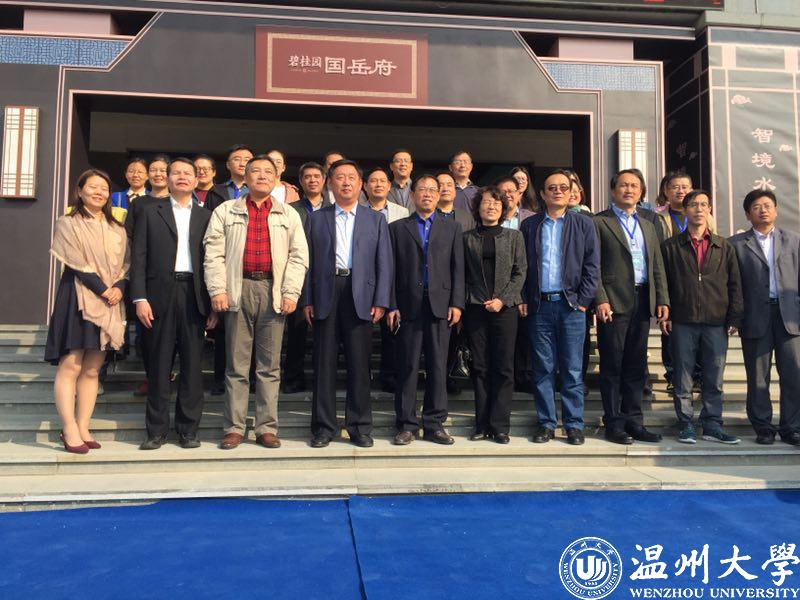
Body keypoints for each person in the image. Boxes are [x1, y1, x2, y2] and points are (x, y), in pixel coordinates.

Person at [204, 155, 309, 450]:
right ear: (245, 177)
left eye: (268, 172)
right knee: (236, 366)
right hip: (238, 288)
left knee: (269, 367)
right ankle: (234, 428)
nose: (262, 176)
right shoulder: (226, 210)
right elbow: (213, 253)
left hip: (272, 291)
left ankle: (266, 427)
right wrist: (218, 290)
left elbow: (298, 256)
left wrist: (291, 292)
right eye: (255, 171)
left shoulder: (288, 214)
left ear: (276, 179)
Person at [302, 159, 393, 448]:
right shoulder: (317, 218)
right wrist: (307, 299)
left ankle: (359, 426)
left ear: (361, 184)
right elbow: (306, 262)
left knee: (359, 365)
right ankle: (323, 427)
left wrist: (381, 300)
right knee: (324, 364)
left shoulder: (375, 219)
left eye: (351, 177)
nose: (345, 182)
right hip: (326, 292)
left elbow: (384, 263)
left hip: (361, 295)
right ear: (330, 184)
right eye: (339, 177)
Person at [131, 157, 217, 450]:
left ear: (196, 180)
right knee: (159, 365)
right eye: (176, 172)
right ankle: (156, 431)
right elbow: (138, 257)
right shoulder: (149, 212)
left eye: (187, 173)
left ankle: (188, 430)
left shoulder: (207, 216)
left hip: (194, 295)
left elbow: (213, 261)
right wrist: (139, 297)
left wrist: (212, 304)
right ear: (167, 179)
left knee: (192, 367)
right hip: (158, 296)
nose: (182, 177)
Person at [46, 169, 128, 453]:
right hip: (78, 298)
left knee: (93, 369)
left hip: (109, 303)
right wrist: (103, 289)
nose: (99, 192)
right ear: (79, 191)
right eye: (92, 187)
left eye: (104, 188)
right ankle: (68, 427)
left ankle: (83, 425)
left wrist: (119, 287)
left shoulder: (118, 228)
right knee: (72, 365)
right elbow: (76, 261)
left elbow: (126, 264)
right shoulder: (68, 223)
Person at [519, 170, 600, 445]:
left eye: (563, 187)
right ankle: (546, 423)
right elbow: (523, 265)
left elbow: (592, 265)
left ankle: (574, 424)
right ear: (542, 194)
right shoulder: (530, 225)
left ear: (571, 192)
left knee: (572, 369)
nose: (558, 192)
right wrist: (524, 297)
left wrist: (583, 301)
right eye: (551, 188)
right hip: (539, 306)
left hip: (571, 307)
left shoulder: (584, 223)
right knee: (542, 368)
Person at [661, 189, 743, 444]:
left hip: (716, 321)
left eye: (703, 204)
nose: (699, 209)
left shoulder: (724, 246)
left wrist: (734, 317)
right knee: (683, 377)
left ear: (709, 210)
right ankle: (685, 424)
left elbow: (735, 285)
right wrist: (666, 312)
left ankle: (712, 425)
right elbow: (664, 282)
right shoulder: (670, 246)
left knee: (714, 377)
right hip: (682, 320)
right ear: (685, 210)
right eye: (693, 204)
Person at [387, 175, 465, 445]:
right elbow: (390, 270)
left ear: (439, 194)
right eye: (422, 190)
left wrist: (456, 303)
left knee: (438, 366)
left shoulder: (452, 228)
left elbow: (458, 268)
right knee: (408, 366)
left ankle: (434, 424)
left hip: (440, 306)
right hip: (408, 306)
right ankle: (406, 424)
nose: (428, 194)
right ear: (413, 195)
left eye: (433, 190)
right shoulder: (397, 228)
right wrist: (392, 304)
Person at [594, 170, 670, 444]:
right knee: (612, 364)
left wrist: (662, 299)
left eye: (634, 186)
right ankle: (614, 423)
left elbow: (657, 265)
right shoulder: (599, 221)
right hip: (613, 301)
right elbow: (593, 265)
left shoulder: (648, 224)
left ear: (641, 192)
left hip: (643, 299)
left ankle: (634, 421)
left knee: (636, 365)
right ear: (613, 190)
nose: (629, 190)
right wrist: (600, 298)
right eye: (623, 185)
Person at [729, 190, 800, 445]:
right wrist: (734, 317)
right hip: (754, 316)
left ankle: (791, 427)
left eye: (768, 205)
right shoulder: (736, 244)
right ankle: (763, 427)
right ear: (748, 214)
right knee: (758, 376)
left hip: (789, 316)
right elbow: (733, 285)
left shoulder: (793, 240)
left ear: (776, 210)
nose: (763, 210)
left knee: (793, 374)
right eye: (756, 207)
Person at [463, 186, 526, 443]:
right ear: (477, 207)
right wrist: (474, 299)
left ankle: (500, 425)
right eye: (486, 202)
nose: (491, 206)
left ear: (503, 209)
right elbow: (461, 274)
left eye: (496, 203)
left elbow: (520, 273)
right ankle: (481, 424)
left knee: (503, 367)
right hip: (475, 309)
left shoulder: (514, 237)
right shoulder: (466, 238)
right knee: (480, 366)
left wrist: (502, 300)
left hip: (505, 310)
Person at [657, 170, 711, 394]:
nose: (680, 191)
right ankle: (672, 374)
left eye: (685, 187)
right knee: (669, 330)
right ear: (666, 191)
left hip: (698, 281)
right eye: (675, 187)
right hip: (670, 277)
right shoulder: (658, 217)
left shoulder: (706, 215)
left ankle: (698, 375)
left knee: (699, 332)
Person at [283, 162, 330, 394]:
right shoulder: (290, 210)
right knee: (297, 331)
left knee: (327, 332)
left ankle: (324, 379)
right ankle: (294, 378)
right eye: (307, 177)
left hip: (327, 277)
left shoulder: (334, 208)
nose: (312, 180)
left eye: (316, 176)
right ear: (301, 182)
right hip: (298, 276)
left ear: (324, 180)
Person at [363, 166, 407, 392]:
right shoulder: (357, 211)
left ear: (390, 186)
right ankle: (363, 375)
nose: (378, 184)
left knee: (392, 329)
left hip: (394, 275)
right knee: (362, 331)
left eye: (382, 181)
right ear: (365, 186)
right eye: (373, 180)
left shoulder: (402, 212)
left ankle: (389, 376)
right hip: (364, 277)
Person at [435, 170, 475, 396]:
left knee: (456, 334)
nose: (445, 188)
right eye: (440, 184)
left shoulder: (466, 216)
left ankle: (452, 376)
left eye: (449, 184)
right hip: (435, 285)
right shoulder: (427, 215)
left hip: (461, 282)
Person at [497, 175, 535, 392]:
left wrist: (522, 294)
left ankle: (523, 376)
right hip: (496, 289)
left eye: (511, 191)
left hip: (523, 286)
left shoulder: (531, 219)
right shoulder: (490, 217)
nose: (507, 195)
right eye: (502, 192)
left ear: (520, 194)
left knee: (524, 336)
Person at [205, 144, 254, 211]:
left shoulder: (260, 190)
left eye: (247, 160)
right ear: (228, 165)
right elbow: (207, 215)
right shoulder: (215, 191)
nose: (242, 164)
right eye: (237, 159)